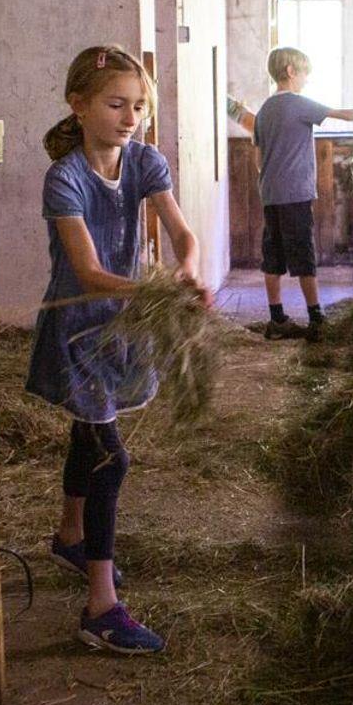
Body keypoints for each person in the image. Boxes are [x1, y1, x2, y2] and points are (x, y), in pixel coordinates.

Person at [29, 45, 207, 656]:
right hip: (79, 331)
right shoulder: (65, 179)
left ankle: (69, 537)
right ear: (78, 105)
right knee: (112, 458)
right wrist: (154, 292)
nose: (130, 118)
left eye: (138, 106)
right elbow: (86, 271)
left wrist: (186, 269)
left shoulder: (145, 161)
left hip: (121, 329)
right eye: (115, 104)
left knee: (89, 433)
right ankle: (101, 609)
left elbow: (182, 233)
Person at [228, 47, 353, 339]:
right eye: (304, 74)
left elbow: (259, 160)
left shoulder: (264, 111)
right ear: (290, 72)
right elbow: (345, 115)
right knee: (304, 256)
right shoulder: (297, 103)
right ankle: (316, 318)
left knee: (273, 255)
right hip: (295, 194)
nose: (306, 80)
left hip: (270, 194)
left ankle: (277, 320)